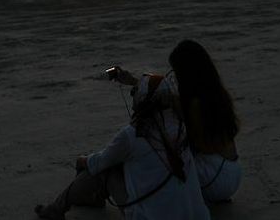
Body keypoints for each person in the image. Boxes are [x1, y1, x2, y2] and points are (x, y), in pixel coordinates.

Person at [34, 73, 208, 220]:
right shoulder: (181, 126)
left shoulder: (132, 135)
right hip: (195, 215)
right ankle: (88, 199)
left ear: (141, 99)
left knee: (104, 169)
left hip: (150, 216)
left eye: (135, 92)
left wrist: (82, 160)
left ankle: (56, 209)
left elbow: (100, 162)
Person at [110, 40, 241, 205]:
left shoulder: (194, 104)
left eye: (176, 71)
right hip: (232, 173)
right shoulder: (214, 93)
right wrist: (134, 81)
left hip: (214, 177)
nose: (174, 76)